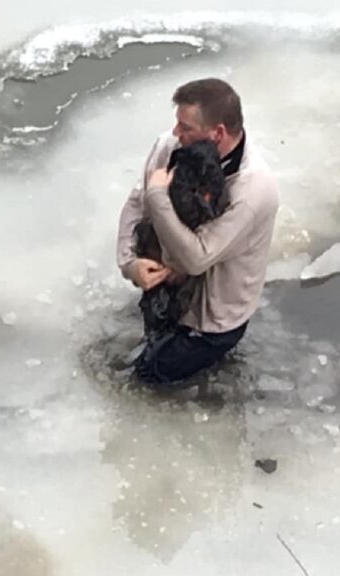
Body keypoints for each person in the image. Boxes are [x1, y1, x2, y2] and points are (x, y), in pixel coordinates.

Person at [116, 78, 279, 388]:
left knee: (144, 381)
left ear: (217, 133)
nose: (176, 134)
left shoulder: (253, 191)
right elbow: (136, 204)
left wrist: (158, 196)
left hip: (212, 320)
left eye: (185, 127)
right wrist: (129, 263)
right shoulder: (170, 146)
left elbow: (196, 259)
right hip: (168, 287)